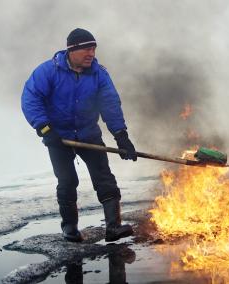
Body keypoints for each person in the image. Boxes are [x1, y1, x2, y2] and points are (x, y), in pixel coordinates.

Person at [21, 28, 137, 242]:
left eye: (93, 49)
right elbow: (31, 99)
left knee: (104, 178)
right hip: (58, 137)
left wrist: (121, 135)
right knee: (67, 181)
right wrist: (45, 129)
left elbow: (110, 104)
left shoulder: (99, 74)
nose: (91, 53)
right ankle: (70, 229)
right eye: (86, 49)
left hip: (88, 134)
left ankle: (113, 227)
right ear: (71, 50)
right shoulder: (48, 72)